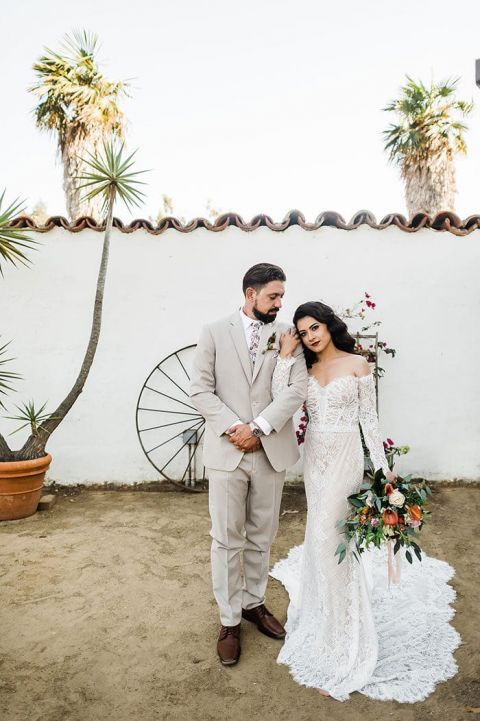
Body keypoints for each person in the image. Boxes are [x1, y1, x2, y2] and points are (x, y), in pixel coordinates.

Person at [269, 301, 461, 702]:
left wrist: (383, 472)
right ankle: (327, 618)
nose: (310, 336)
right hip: (315, 459)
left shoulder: (358, 364)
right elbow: (280, 402)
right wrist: (286, 358)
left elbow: (369, 422)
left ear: (329, 325)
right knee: (320, 538)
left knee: (329, 538)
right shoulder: (304, 368)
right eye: (303, 332)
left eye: (315, 327)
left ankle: (346, 639)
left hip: (345, 458)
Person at [189, 263, 308, 666]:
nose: (280, 303)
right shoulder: (213, 331)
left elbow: (297, 390)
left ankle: (254, 603)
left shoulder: (287, 336)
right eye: (273, 296)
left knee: (262, 534)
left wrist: (257, 428)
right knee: (225, 538)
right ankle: (228, 620)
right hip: (227, 453)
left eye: (281, 296)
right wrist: (234, 428)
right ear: (250, 294)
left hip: (270, 451)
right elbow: (200, 390)